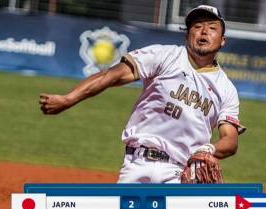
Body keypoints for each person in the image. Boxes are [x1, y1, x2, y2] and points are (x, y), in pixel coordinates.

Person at [39, 5, 246, 183]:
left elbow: (230, 139)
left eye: (211, 28)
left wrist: (209, 150)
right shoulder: (164, 55)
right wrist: (69, 99)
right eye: (197, 26)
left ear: (222, 40)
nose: (203, 32)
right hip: (137, 164)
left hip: (181, 174)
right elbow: (112, 75)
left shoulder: (226, 88)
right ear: (187, 34)